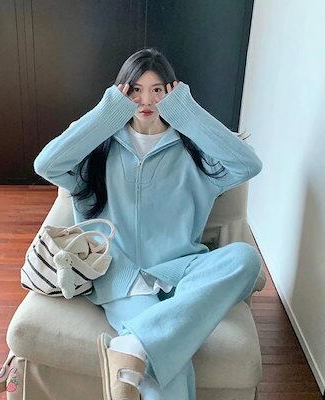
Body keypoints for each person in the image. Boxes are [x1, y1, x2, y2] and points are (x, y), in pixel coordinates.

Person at [33, 47, 263, 400]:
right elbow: (45, 165)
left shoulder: (195, 153)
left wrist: (186, 112)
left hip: (180, 268)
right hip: (122, 275)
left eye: (157, 90)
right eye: (136, 90)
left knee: (244, 258)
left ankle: (132, 344)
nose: (146, 100)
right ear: (121, 93)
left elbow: (249, 166)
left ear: (172, 94)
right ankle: (142, 346)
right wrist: (108, 112)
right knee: (169, 361)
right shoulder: (96, 152)